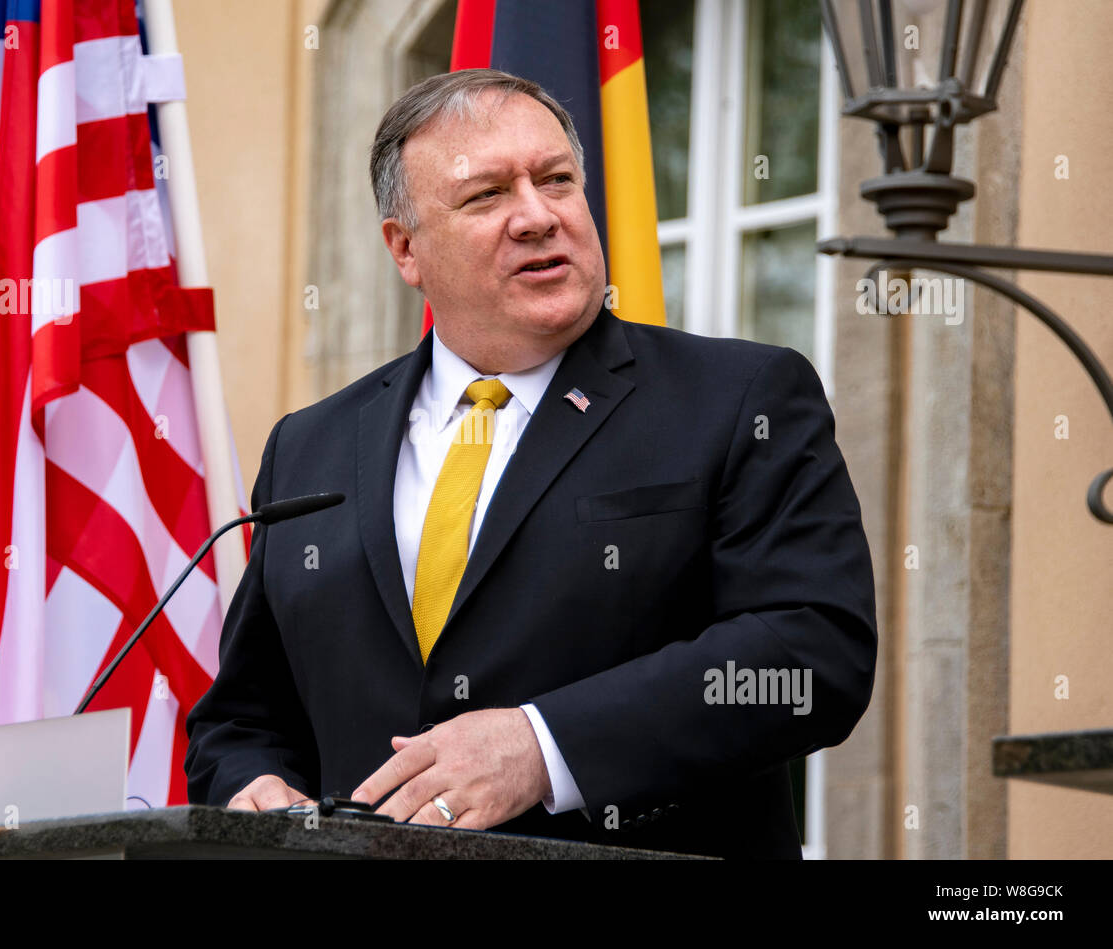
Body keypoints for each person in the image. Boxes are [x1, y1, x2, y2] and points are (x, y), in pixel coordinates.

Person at [184, 68, 877, 858]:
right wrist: (251, 787)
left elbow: (812, 653)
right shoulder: (310, 444)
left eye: (556, 180)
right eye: (486, 196)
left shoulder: (739, 396)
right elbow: (241, 718)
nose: (538, 216)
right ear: (405, 248)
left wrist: (545, 747)